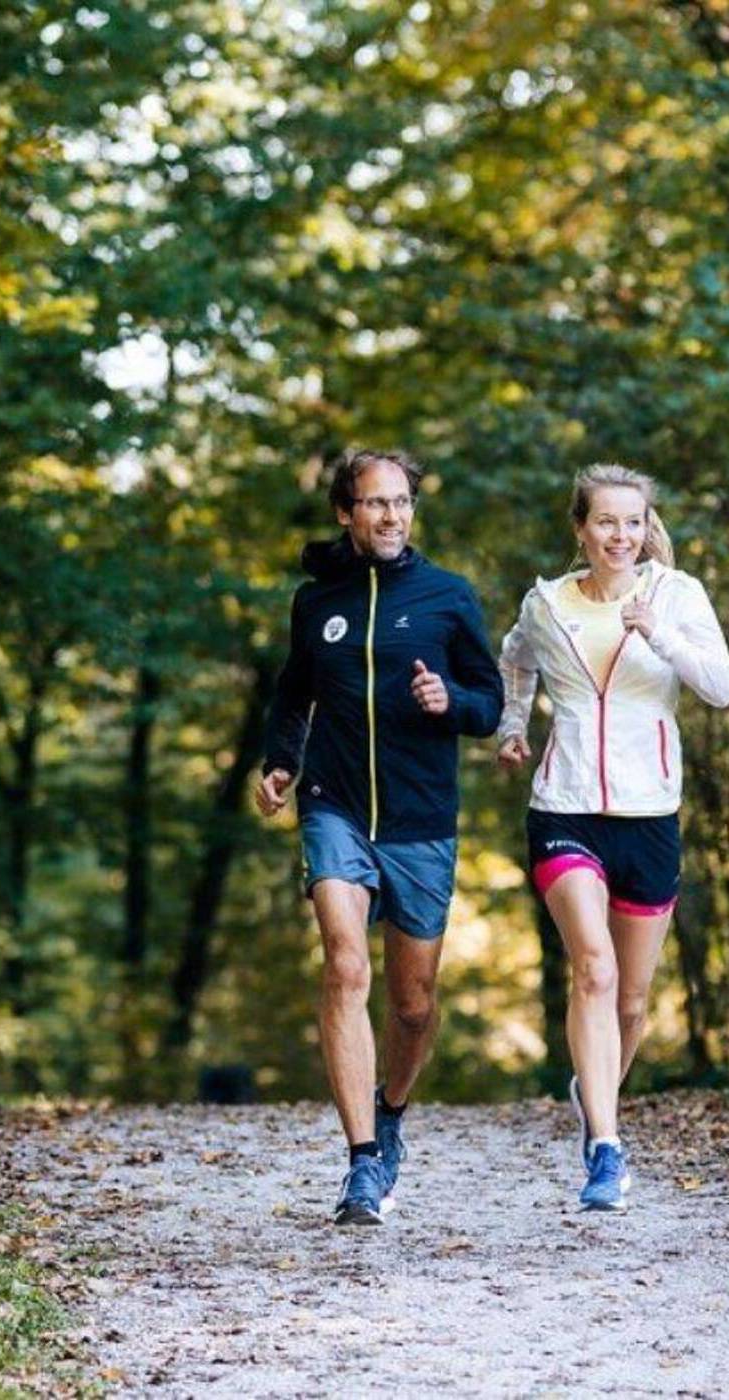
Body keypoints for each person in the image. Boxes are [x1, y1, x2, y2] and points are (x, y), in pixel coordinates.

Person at [257, 448, 503, 1225]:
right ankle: (363, 1164)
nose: (391, 517)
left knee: (414, 1004)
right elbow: (294, 694)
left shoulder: (447, 597)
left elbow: (491, 704)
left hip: (421, 818)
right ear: (345, 512)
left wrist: (449, 700)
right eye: (374, 504)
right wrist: (279, 763)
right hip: (334, 805)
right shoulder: (315, 601)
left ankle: (390, 1108)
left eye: (401, 503)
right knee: (343, 960)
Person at [497, 464, 729, 1211]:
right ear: (581, 528)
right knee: (593, 971)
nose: (620, 537)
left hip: (650, 814)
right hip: (565, 809)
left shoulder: (676, 595)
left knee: (631, 1002)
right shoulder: (547, 605)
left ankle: (592, 1086)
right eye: (606, 522)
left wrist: (658, 634)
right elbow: (515, 660)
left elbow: (721, 687)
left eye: (632, 523)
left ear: (646, 527)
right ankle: (605, 1148)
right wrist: (513, 725)